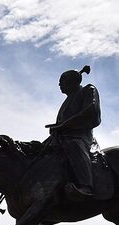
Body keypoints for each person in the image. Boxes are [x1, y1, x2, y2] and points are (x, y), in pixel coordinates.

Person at [46, 65, 101, 199]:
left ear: (73, 81)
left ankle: (86, 186)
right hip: (61, 138)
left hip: (81, 138)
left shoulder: (88, 90)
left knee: (73, 145)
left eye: (62, 81)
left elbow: (91, 113)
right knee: (39, 151)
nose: (59, 84)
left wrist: (64, 125)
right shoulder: (66, 102)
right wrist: (56, 129)